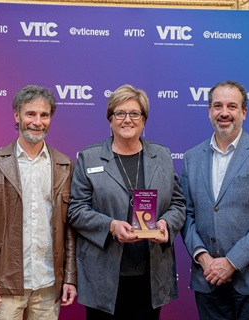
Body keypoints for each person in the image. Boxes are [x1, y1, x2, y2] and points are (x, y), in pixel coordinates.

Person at [67, 84, 185, 319]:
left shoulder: (161, 156)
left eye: (134, 113)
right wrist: (111, 226)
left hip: (150, 275)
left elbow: (178, 204)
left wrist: (166, 224)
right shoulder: (89, 157)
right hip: (103, 274)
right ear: (110, 120)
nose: (127, 120)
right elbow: (76, 210)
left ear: (144, 120)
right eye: (119, 113)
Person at [181, 80, 249, 319]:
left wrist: (231, 262)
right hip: (207, 280)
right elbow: (186, 214)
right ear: (209, 111)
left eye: (232, 106)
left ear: (243, 112)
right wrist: (203, 258)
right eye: (217, 106)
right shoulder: (191, 158)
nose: (224, 113)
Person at [0, 85, 77, 320]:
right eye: (30, 114)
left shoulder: (64, 165)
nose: (37, 122)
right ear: (17, 115)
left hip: (49, 285)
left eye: (44, 115)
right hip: (4, 284)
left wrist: (69, 277)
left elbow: (69, 229)